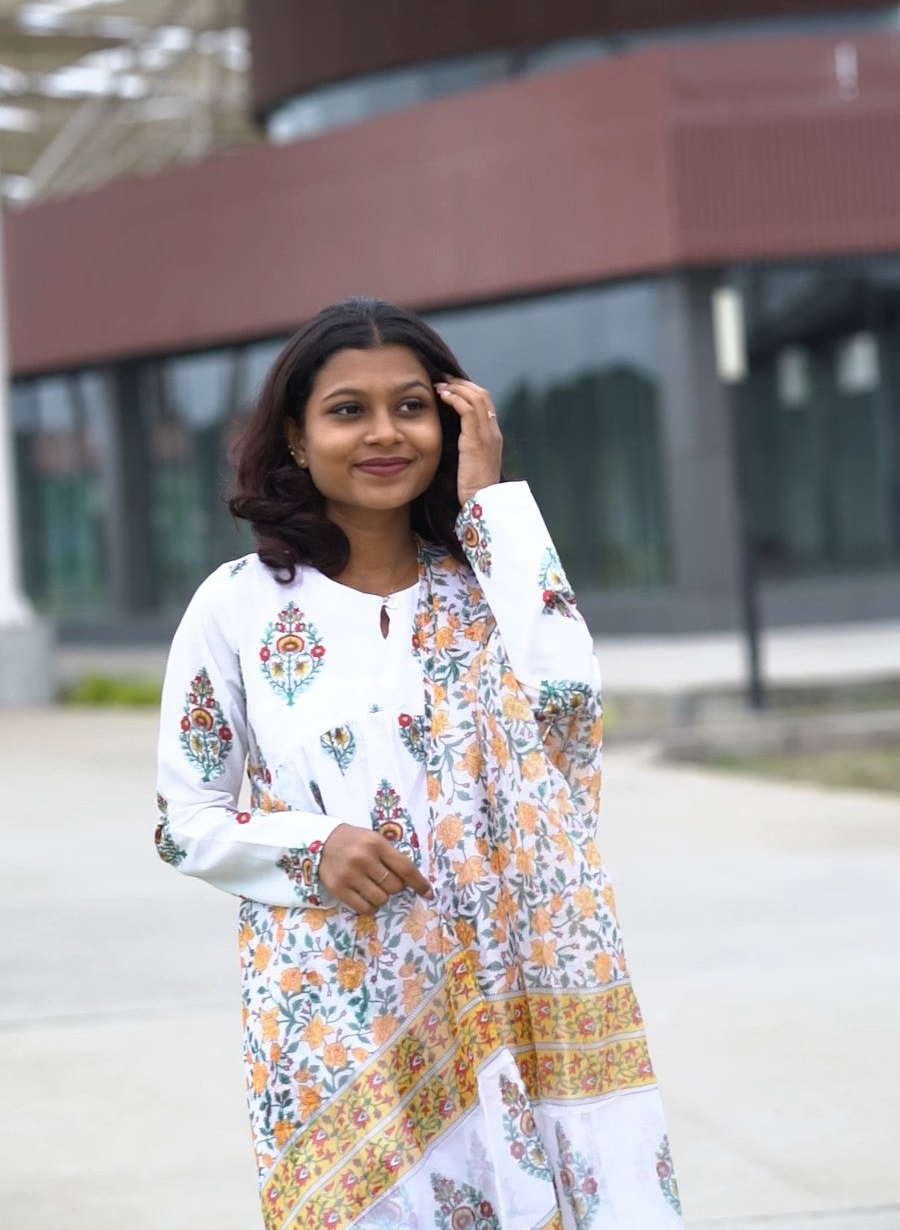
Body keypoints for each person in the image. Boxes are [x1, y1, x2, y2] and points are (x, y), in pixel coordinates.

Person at [155, 296, 682, 1230]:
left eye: (411, 405)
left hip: (512, 979)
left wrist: (492, 507)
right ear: (297, 434)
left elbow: (565, 732)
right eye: (348, 410)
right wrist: (310, 849)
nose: (384, 433)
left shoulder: (491, 588)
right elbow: (184, 818)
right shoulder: (237, 606)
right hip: (336, 1008)